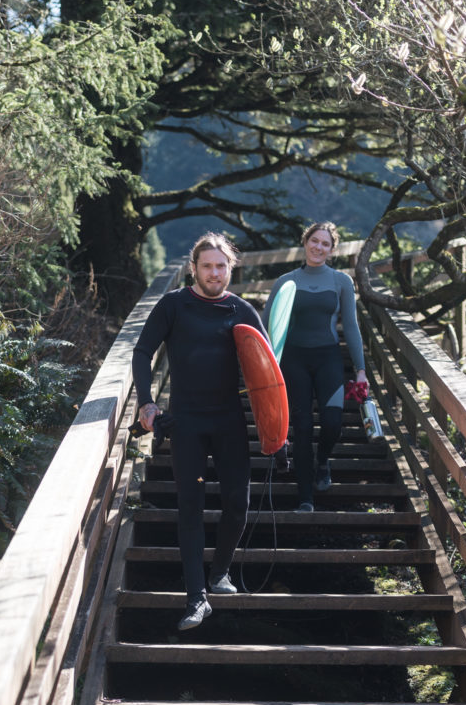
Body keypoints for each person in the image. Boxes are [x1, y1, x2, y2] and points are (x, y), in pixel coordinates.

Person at [132, 231, 267, 631]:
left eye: (221, 266)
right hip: (187, 422)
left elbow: (268, 375)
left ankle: (219, 572)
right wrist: (146, 401)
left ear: (231, 268)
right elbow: (142, 351)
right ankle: (196, 599)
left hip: (229, 421)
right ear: (194, 268)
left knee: (237, 504)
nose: (214, 272)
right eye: (207, 266)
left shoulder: (242, 310)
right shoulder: (174, 305)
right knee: (190, 508)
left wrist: (277, 430)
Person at [262, 221, 369, 512]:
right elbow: (265, 324)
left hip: (329, 359)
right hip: (293, 361)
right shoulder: (285, 281)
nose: (318, 247)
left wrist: (360, 370)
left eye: (325, 244)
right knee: (303, 426)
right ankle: (305, 498)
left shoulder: (341, 282)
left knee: (333, 422)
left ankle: (323, 460)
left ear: (331, 250)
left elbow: (351, 326)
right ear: (305, 242)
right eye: (314, 241)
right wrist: (263, 365)